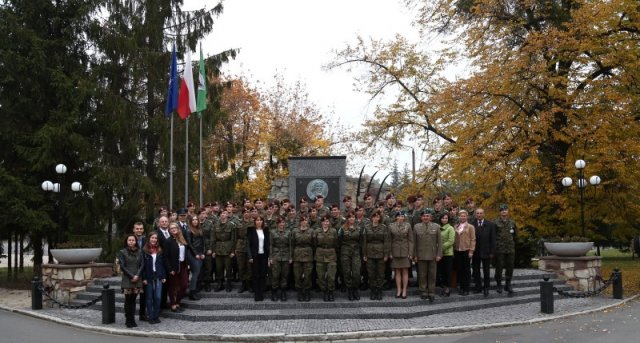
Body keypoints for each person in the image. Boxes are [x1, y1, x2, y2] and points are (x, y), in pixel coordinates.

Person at [413, 209, 442, 302]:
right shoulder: (416, 227)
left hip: (433, 254)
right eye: (424, 216)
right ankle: (423, 290)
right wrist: (415, 255)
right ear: (421, 217)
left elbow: (440, 242)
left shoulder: (436, 226)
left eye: (427, 216)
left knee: (432, 274)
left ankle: (431, 291)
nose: (426, 217)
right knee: (422, 274)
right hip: (421, 254)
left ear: (431, 217)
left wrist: (439, 254)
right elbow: (414, 242)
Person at [117, 234, 144, 328]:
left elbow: (142, 264)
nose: (131, 241)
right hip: (128, 279)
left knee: (133, 300)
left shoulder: (140, 251)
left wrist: (137, 275)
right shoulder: (122, 252)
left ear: (136, 241)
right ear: (126, 241)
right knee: (128, 300)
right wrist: (132, 276)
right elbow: (122, 266)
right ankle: (128, 319)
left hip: (137, 278)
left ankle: (132, 318)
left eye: (133, 240)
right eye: (129, 240)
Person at [363, 211, 390, 300]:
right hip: (370, 252)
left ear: (380, 218)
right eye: (374, 216)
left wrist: (386, 254)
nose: (375, 218)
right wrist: (364, 254)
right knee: (371, 273)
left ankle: (379, 290)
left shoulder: (384, 227)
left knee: (380, 273)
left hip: (381, 253)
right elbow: (364, 242)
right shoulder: (366, 227)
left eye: (377, 217)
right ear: (372, 218)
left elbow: (386, 241)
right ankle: (373, 290)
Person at [164, 222, 190, 312]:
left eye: (175, 227)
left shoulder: (182, 239)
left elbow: (185, 253)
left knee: (184, 285)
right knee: (172, 286)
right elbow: (166, 256)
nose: (174, 229)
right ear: (169, 230)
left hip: (183, 265)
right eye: (171, 228)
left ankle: (177, 301)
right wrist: (170, 269)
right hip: (173, 266)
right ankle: (173, 304)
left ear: (178, 228)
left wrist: (187, 263)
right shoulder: (168, 241)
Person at [141, 232, 166, 324]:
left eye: (155, 238)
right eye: (152, 238)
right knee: (149, 298)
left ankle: (156, 316)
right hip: (148, 276)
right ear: (149, 239)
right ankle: (150, 317)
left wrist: (163, 276)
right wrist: (143, 278)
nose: (154, 240)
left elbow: (162, 264)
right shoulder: (144, 250)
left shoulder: (159, 250)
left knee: (158, 297)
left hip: (158, 276)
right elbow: (142, 266)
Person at [472, 208, 496, 297]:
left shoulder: (490, 225)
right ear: (475, 214)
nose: (479, 215)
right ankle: (478, 287)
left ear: (484, 214)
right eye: (477, 213)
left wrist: (492, 252)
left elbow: (493, 239)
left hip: (487, 251)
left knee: (486, 271)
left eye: (481, 213)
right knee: (476, 271)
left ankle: (486, 288)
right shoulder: (472, 225)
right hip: (475, 252)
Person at [389, 211, 414, 299]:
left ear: (404, 217)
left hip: (405, 251)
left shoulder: (408, 225)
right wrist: (390, 252)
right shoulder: (391, 226)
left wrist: (410, 253)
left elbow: (411, 240)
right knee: (397, 271)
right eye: (399, 216)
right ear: (396, 217)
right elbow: (389, 240)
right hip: (395, 250)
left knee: (405, 271)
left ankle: (404, 290)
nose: (401, 218)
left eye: (402, 216)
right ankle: (399, 289)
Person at [339, 211, 363, 301]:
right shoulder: (342, 228)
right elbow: (339, 241)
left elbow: (361, 240)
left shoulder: (359, 228)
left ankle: (355, 289)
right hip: (345, 252)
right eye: (350, 217)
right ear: (347, 218)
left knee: (356, 272)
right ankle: (349, 290)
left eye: (353, 217)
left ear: (355, 218)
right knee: (347, 272)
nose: (351, 219)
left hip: (356, 252)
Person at [211, 210, 236, 292]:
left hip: (228, 250)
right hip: (218, 250)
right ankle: (220, 283)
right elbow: (213, 239)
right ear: (219, 216)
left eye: (224, 213)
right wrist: (213, 251)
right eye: (221, 214)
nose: (223, 215)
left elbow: (233, 239)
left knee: (228, 267)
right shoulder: (215, 225)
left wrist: (233, 251)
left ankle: (228, 283)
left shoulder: (231, 225)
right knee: (219, 268)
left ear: (227, 215)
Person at [314, 216, 339, 301]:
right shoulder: (317, 231)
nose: (325, 223)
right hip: (320, 254)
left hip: (331, 254)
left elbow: (336, 243)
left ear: (329, 222)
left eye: (327, 221)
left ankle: (330, 291)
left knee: (331, 275)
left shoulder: (333, 231)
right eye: (324, 221)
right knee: (320, 276)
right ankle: (324, 291)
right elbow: (314, 243)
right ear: (321, 222)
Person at [494, 204, 517, 295]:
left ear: (508, 211)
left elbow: (515, 235)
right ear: (500, 212)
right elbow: (494, 236)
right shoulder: (495, 222)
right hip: (500, 248)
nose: (504, 211)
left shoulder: (512, 222)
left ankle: (508, 284)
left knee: (510, 266)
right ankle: (499, 284)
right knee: (499, 267)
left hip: (510, 248)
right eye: (502, 210)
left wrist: (513, 243)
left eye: (505, 210)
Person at [291, 216, 314, 301]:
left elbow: (314, 243)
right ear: (300, 222)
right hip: (297, 255)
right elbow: (292, 243)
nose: (304, 222)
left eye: (306, 220)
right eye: (302, 220)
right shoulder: (295, 231)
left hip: (308, 255)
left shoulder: (311, 231)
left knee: (308, 275)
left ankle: (307, 291)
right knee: (297, 275)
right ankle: (300, 292)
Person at [247, 216, 270, 301]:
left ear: (263, 222)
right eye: (257, 220)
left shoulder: (266, 231)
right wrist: (250, 256)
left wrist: (269, 257)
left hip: (263, 255)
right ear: (255, 222)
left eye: (260, 220)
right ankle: (257, 294)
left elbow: (268, 244)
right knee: (256, 275)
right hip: (255, 256)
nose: (259, 221)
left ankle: (261, 292)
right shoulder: (251, 231)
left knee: (263, 274)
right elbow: (248, 245)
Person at [454, 210, 475, 296]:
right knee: (460, 269)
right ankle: (461, 287)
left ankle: (466, 288)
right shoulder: (456, 226)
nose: (462, 217)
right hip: (457, 250)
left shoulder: (470, 227)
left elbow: (473, 239)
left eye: (464, 216)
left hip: (466, 250)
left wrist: (471, 251)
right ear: (459, 217)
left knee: (466, 269)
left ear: (467, 217)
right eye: (461, 216)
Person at [269, 217, 291, 301]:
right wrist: (270, 257)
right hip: (275, 256)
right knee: (275, 275)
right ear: (277, 223)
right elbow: (270, 245)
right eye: (280, 222)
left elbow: (290, 245)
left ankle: (283, 292)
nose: (282, 224)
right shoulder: (272, 232)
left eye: (283, 222)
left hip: (285, 256)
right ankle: (274, 292)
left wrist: (290, 257)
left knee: (284, 275)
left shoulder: (288, 232)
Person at [185, 214, 205, 300]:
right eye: (193, 220)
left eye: (196, 219)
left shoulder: (200, 229)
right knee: (195, 273)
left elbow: (203, 242)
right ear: (190, 221)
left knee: (198, 272)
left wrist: (203, 253)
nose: (195, 221)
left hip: (200, 252)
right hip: (192, 253)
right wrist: (195, 254)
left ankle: (195, 290)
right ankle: (192, 292)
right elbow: (189, 244)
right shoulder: (188, 230)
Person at [437, 213, 455, 297]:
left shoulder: (450, 228)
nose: (444, 219)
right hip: (440, 254)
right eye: (443, 218)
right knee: (442, 272)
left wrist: (440, 247)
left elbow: (451, 241)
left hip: (447, 254)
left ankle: (447, 289)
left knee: (447, 272)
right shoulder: (438, 228)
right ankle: (444, 288)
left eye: (446, 218)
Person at [132, 222, 147, 321]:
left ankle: (142, 314)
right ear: (133, 230)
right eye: (137, 229)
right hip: (133, 270)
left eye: (141, 229)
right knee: (132, 295)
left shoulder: (146, 240)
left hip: (145, 270)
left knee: (144, 295)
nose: (139, 230)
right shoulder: (130, 240)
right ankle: (130, 315)